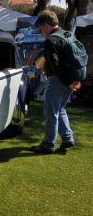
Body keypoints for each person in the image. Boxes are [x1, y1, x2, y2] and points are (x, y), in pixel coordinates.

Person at [31, 10, 78, 154]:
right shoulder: (67, 34)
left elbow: (56, 66)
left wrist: (68, 81)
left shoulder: (51, 41)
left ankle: (48, 144)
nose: (41, 33)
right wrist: (72, 81)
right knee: (60, 109)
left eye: (40, 29)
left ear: (46, 25)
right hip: (71, 79)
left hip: (58, 81)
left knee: (51, 113)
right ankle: (67, 138)